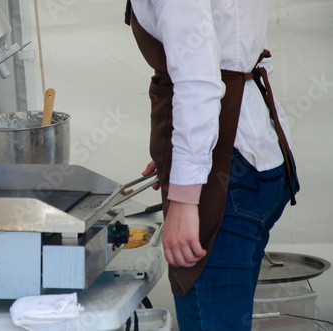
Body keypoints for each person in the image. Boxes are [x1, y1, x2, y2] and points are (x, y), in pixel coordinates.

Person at [125, 1, 299, 330]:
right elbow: (239, 48)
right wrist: (176, 156)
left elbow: (198, 80)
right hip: (258, 154)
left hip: (225, 178)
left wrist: (186, 191)